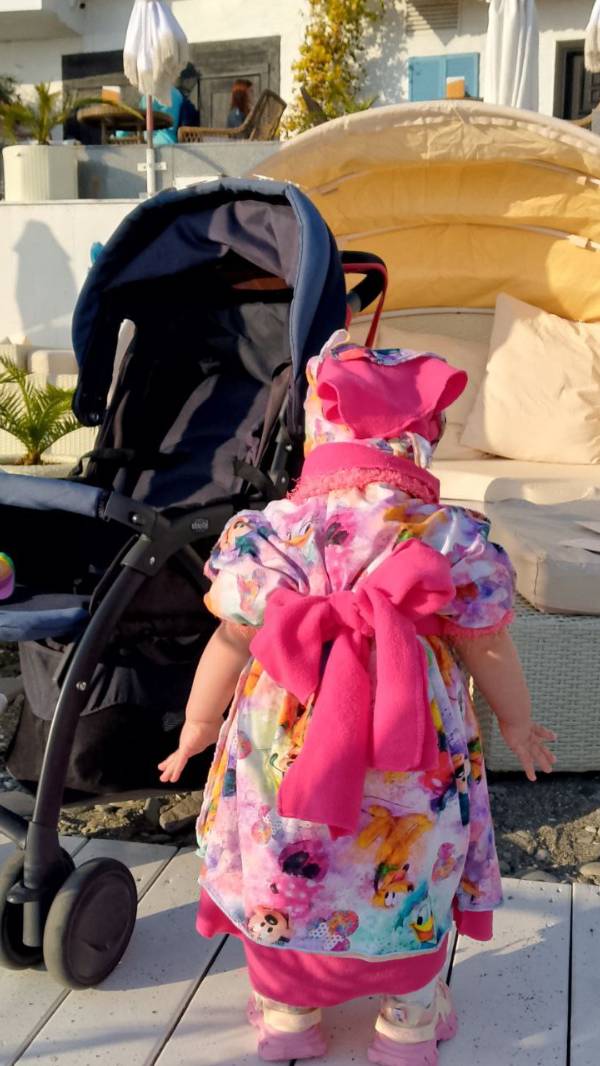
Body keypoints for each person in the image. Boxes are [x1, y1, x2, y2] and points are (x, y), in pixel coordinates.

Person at [158, 331, 556, 1064]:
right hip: (412, 745)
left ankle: (290, 1015)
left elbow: (233, 638)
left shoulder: (274, 533)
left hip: (285, 737)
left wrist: (199, 721)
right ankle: (407, 1022)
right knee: (411, 854)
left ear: (317, 433)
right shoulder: (446, 536)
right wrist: (518, 722)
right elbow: (489, 645)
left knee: (283, 850)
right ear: (421, 441)